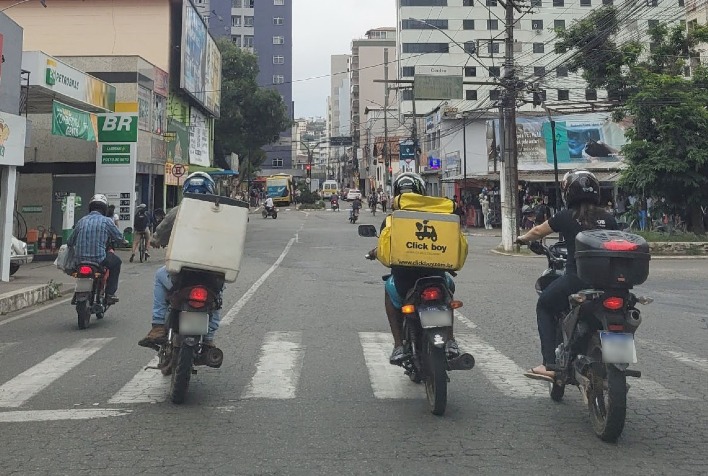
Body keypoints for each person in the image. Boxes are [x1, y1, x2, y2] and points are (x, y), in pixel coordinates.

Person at [516, 170, 618, 381]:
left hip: (577, 280)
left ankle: (550, 365)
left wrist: (521, 238)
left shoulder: (566, 216)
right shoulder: (608, 218)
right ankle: (617, 369)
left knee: (544, 304)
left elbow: (537, 232)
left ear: (568, 193)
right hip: (609, 283)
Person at [366, 173, 460, 364]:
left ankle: (399, 345)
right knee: (448, 291)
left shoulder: (393, 219)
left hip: (404, 281)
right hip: (437, 278)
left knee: (388, 290)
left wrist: (375, 252)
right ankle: (450, 340)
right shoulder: (440, 216)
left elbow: (385, 252)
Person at [138, 172, 223, 348]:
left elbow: (159, 235)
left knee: (159, 276)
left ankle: (158, 325)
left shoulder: (179, 210)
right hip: (211, 273)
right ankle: (209, 338)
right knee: (216, 299)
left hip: (180, 272)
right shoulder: (220, 213)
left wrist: (155, 241)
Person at [67, 194, 125, 304]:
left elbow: (70, 242)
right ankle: (109, 294)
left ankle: (77, 293)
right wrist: (123, 242)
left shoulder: (81, 221)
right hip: (99, 259)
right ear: (104, 209)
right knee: (116, 262)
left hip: (80, 261)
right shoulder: (107, 221)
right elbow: (119, 237)